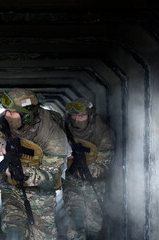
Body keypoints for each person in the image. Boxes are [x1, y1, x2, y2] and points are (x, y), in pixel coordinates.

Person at [0, 88, 69, 239]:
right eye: (6, 111)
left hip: (41, 195)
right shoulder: (5, 118)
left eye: (12, 112)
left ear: (26, 115)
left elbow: (51, 177)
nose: (7, 115)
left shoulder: (53, 134)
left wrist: (27, 173)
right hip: (11, 187)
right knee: (15, 233)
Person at [62, 98, 116, 240]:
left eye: (81, 116)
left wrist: (93, 169)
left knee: (94, 225)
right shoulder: (64, 127)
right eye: (73, 116)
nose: (76, 119)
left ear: (90, 116)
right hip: (72, 180)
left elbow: (104, 162)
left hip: (94, 183)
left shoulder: (102, 132)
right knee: (76, 216)